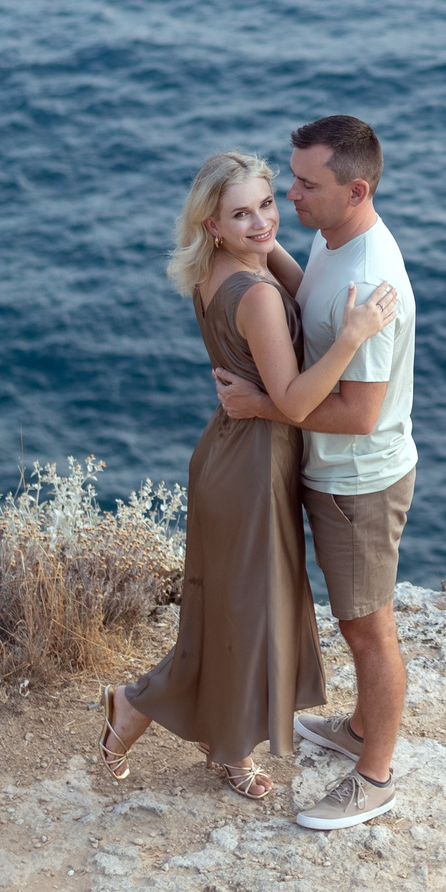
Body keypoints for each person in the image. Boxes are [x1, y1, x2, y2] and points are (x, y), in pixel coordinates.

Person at [97, 150, 397, 801]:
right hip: (252, 468)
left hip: (230, 455)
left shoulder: (223, 268)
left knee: (231, 616)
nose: (263, 220)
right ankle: (134, 707)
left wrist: (270, 241)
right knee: (246, 619)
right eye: (242, 212)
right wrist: (353, 336)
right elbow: (292, 401)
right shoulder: (257, 294)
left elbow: (293, 277)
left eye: (267, 203)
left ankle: (223, 745)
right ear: (213, 223)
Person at [214, 114, 415, 832]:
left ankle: (375, 774)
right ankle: (359, 729)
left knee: (368, 628)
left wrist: (260, 403)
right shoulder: (333, 238)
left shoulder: (368, 278)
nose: (288, 195)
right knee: (356, 619)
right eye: (289, 181)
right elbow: (303, 300)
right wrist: (253, 250)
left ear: (354, 188)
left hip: (359, 478)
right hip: (336, 474)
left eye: (304, 184)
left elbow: (361, 414)